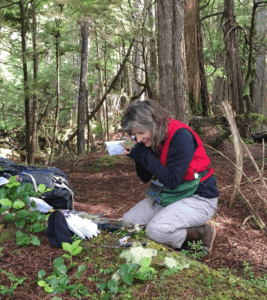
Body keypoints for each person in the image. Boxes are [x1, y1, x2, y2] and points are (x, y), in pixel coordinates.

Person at [120, 99, 219, 253]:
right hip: (170, 196)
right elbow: (145, 177)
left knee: (156, 231)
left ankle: (200, 233)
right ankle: (169, 226)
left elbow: (172, 180)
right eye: (134, 135)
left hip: (199, 198)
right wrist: (137, 154)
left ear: (153, 124)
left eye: (141, 133)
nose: (138, 139)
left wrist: (142, 155)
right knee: (129, 222)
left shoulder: (181, 137)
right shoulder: (153, 137)